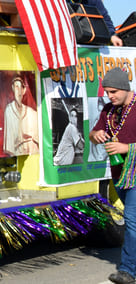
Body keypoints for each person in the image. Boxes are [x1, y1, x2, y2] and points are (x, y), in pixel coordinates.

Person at [89, 68, 136, 284]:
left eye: (114, 91)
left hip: (135, 175)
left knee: (132, 221)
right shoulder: (108, 111)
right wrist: (95, 135)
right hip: (119, 175)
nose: (110, 96)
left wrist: (127, 148)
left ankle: (127, 271)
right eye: (107, 92)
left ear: (125, 88)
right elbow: (92, 133)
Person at [3, 76, 39, 156]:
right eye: (16, 87)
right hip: (17, 153)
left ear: (24, 90)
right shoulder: (9, 110)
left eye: (20, 88)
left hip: (32, 151)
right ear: (13, 89)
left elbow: (39, 137)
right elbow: (9, 142)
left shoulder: (32, 112)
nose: (18, 91)